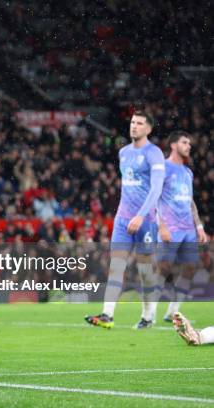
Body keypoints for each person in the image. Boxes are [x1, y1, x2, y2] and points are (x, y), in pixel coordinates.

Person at [85, 111, 165, 329]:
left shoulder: (154, 153)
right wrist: (128, 214)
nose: (134, 126)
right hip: (123, 219)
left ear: (148, 129)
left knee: (145, 272)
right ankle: (107, 315)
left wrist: (141, 215)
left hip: (146, 220)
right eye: (132, 122)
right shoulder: (123, 153)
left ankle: (148, 315)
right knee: (116, 266)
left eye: (139, 123)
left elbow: (156, 188)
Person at [156, 131, 208, 321]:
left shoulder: (188, 172)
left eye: (189, 143)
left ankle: (173, 312)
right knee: (162, 267)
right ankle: (149, 315)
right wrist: (161, 226)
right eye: (185, 142)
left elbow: (190, 201)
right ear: (173, 145)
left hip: (188, 229)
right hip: (170, 227)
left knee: (190, 268)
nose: (189, 146)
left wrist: (199, 226)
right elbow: (153, 198)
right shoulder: (162, 168)